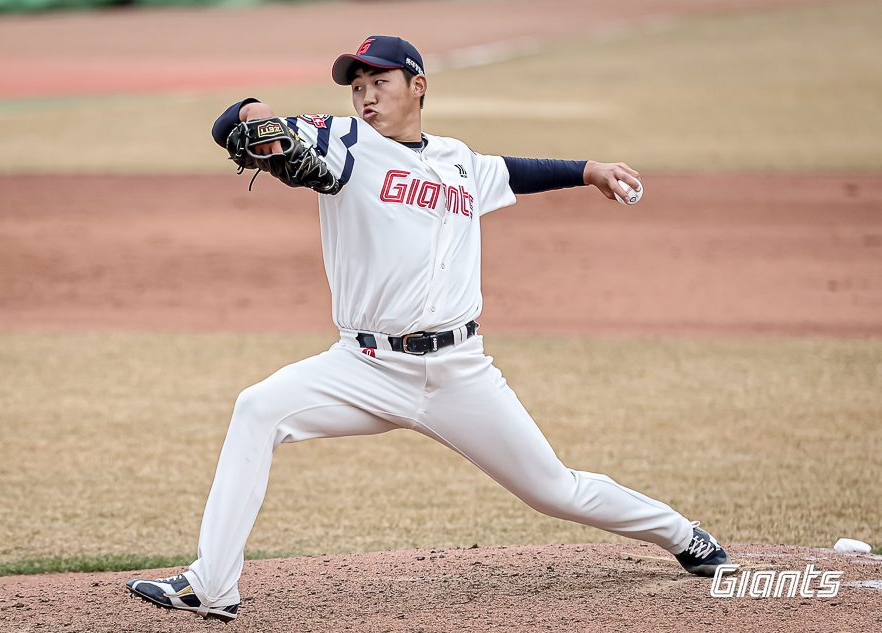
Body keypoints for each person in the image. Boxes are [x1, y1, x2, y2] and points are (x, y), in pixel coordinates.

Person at [126, 35, 733, 622]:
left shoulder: (457, 160)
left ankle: (684, 535)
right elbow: (231, 124)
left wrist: (588, 169)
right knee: (257, 409)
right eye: (357, 85)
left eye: (379, 82)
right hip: (363, 367)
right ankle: (211, 585)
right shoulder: (343, 141)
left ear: (417, 86)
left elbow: (512, 171)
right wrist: (255, 113)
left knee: (556, 491)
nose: (365, 95)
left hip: (460, 372)